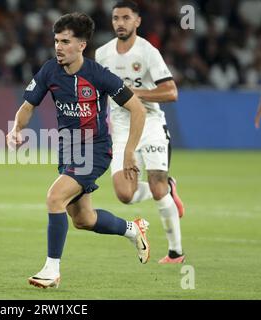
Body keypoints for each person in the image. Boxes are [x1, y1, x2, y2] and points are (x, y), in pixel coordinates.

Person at [6, 12, 150, 289]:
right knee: (83, 219)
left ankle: (51, 270)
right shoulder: (50, 70)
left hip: (94, 150)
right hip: (68, 150)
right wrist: (16, 130)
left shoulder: (98, 75)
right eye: (56, 41)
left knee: (54, 197)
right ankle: (133, 230)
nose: (58, 47)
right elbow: (28, 106)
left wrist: (129, 152)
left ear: (82, 45)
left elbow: (137, 109)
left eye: (65, 41)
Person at [95, 0, 185, 264]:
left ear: (137, 21)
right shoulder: (102, 54)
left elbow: (171, 92)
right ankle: (169, 186)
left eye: (126, 18)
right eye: (115, 18)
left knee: (157, 189)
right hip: (122, 129)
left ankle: (175, 253)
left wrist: (135, 94)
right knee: (124, 195)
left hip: (151, 125)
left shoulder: (148, 52)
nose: (120, 23)